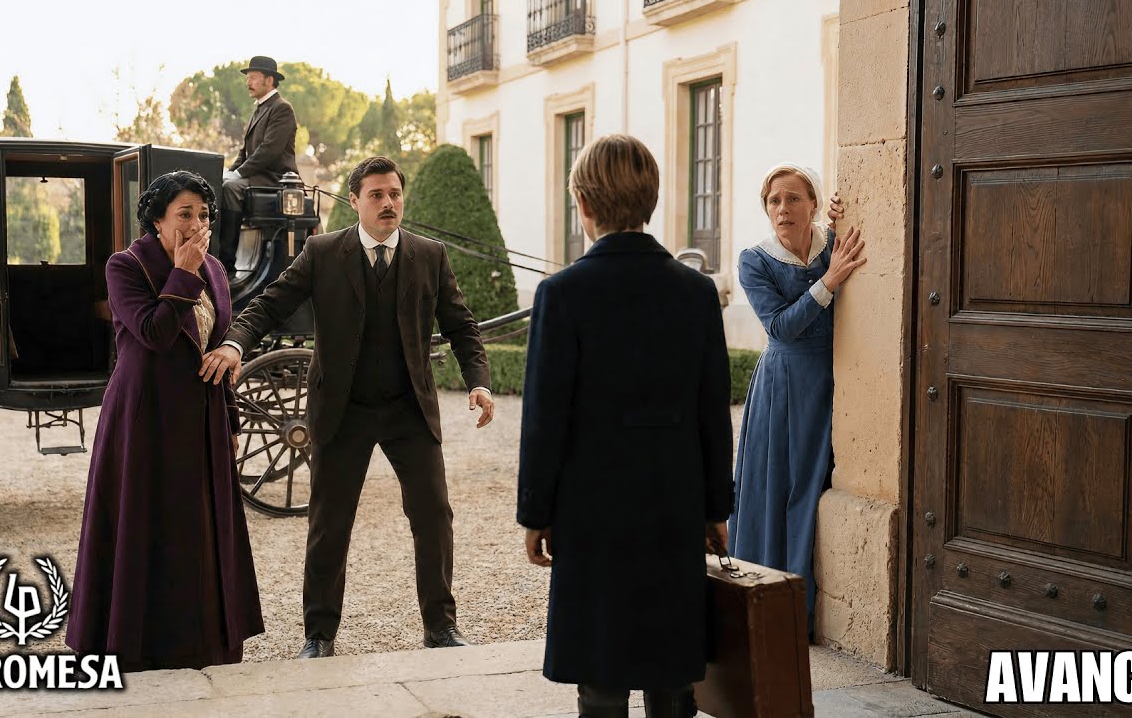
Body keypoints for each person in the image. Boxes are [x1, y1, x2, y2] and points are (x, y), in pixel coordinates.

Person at [201, 155, 495, 659]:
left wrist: (479, 383)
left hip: (409, 409)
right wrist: (234, 343)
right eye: (376, 195)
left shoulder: (430, 255)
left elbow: (462, 327)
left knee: (433, 516)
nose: (388, 203)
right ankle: (318, 635)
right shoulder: (322, 252)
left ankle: (441, 627)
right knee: (330, 522)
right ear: (355, 201)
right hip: (343, 409)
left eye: (394, 194)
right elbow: (269, 303)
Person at [517, 134, 733, 718]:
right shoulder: (695, 293)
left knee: (601, 671)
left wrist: (536, 512)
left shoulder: (561, 294)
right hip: (673, 501)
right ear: (652, 200)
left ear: (584, 204)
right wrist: (717, 507)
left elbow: (544, 419)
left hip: (592, 509)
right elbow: (713, 411)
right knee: (672, 670)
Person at [66, 171, 264, 671]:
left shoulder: (215, 270)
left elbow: (216, 347)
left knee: (199, 528)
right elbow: (153, 332)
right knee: (145, 524)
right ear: (157, 219)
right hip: (144, 418)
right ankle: (137, 647)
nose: (196, 224)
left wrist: (231, 420)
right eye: (184, 214)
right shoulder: (126, 266)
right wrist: (183, 273)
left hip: (203, 416)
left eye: (203, 215)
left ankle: (205, 645)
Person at [729, 163, 865, 638]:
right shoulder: (754, 260)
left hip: (834, 380)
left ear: (813, 203)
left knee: (816, 487)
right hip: (783, 387)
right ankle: (772, 612)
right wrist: (829, 282)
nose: (782, 209)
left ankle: (804, 608)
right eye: (774, 201)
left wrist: (847, 213)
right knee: (778, 492)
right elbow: (781, 327)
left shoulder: (833, 243)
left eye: (792, 198)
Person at [219, 55, 299, 278]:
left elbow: (269, 151)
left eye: (253, 77)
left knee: (231, 188)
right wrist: (229, 172)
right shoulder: (259, 109)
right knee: (219, 183)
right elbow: (244, 152)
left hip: (276, 179)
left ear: (269, 80)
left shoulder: (282, 108)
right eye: (248, 78)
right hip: (256, 175)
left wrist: (238, 175)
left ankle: (226, 265)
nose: (248, 82)